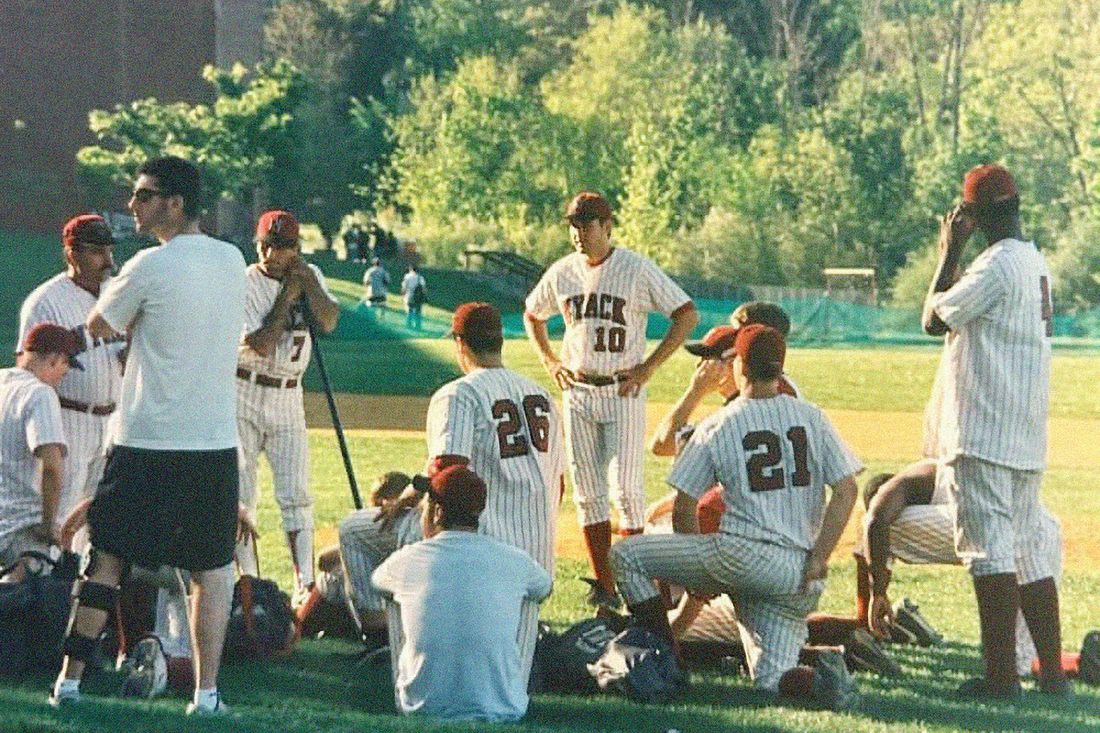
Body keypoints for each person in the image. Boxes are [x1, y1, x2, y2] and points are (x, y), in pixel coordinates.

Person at [50, 156, 247, 715]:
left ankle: (69, 683)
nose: (132, 205)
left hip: (144, 439)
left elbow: (98, 328)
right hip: (211, 440)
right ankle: (206, 697)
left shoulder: (146, 266)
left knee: (107, 559)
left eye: (143, 195)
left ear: (175, 202)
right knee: (211, 569)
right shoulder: (232, 259)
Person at [609, 325, 862, 710]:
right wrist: (820, 556)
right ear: (781, 367)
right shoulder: (812, 416)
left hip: (741, 556)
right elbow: (846, 490)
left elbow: (684, 507)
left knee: (625, 557)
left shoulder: (720, 423)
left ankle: (669, 658)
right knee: (771, 683)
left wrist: (695, 579)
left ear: (740, 365)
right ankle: (820, 681)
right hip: (798, 574)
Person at [341, 302, 563, 679]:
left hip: (477, 538)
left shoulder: (459, 393)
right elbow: (557, 484)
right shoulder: (542, 396)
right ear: (500, 341)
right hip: (536, 552)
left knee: (355, 531)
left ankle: (382, 642)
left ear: (461, 343)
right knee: (516, 679)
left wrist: (412, 506)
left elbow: (448, 473)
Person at [921, 164, 1067, 698]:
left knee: (989, 554)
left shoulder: (995, 264)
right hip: (1025, 431)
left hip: (984, 428)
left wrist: (949, 250)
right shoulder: (1035, 261)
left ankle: (1001, 677)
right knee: (1027, 551)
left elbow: (933, 320)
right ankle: (1052, 675)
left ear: (975, 215)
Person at [524, 191, 698, 608]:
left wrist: (650, 365)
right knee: (587, 491)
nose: (579, 233)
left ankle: (637, 586)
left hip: (623, 389)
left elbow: (686, 313)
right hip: (579, 388)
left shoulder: (635, 268)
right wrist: (550, 360)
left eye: (587, 224)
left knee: (627, 490)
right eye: (574, 225)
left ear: (608, 226)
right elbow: (533, 313)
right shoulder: (563, 271)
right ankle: (604, 586)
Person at [372, 465, 552, 722]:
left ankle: (416, 685)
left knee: (394, 594)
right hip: (503, 711)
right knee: (529, 595)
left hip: (422, 708)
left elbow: (377, 581)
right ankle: (506, 690)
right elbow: (544, 586)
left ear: (437, 512)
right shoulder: (514, 560)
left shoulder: (409, 559)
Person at [235, 210, 340, 602]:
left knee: (296, 494)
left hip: (288, 395)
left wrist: (308, 280)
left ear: (296, 249)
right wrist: (289, 295)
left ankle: (304, 585)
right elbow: (260, 343)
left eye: (282, 246)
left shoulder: (308, 276)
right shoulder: (243, 283)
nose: (272, 253)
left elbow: (328, 321)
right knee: (242, 496)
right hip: (243, 389)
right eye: (266, 244)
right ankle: (248, 583)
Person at [18, 214, 124, 529]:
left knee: (99, 520)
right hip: (68, 418)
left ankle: (84, 579)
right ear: (71, 254)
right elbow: (27, 370)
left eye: (108, 250)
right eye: (96, 251)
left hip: (113, 420)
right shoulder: (45, 302)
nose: (107, 259)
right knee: (61, 513)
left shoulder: (119, 293)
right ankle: (46, 576)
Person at [0, 324, 81, 581]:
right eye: (66, 366)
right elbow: (51, 468)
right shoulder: (40, 394)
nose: (65, 373)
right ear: (56, 359)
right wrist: (48, 526)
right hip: (23, 528)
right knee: (21, 613)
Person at [363, 257, 390, 321]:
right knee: (383, 307)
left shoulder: (370, 271)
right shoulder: (383, 271)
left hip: (371, 292)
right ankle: (382, 319)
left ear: (373, 263)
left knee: (371, 307)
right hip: (381, 292)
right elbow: (387, 281)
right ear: (380, 264)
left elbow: (366, 282)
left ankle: (371, 319)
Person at [401, 264, 426, 330]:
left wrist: (403, 296)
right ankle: (417, 326)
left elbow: (404, 288)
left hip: (409, 296)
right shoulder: (420, 277)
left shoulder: (407, 277)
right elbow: (423, 288)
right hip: (417, 298)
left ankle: (409, 326)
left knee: (409, 312)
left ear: (410, 269)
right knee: (418, 312)